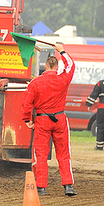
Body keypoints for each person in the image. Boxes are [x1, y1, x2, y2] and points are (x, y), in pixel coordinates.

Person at [21, 43, 77, 197]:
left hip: (42, 120)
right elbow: (71, 65)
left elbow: (26, 103)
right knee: (64, 154)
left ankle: (41, 188)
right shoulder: (63, 79)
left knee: (41, 154)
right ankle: (68, 186)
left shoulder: (35, 82)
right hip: (59, 118)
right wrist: (62, 51)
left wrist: (27, 119)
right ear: (57, 66)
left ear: (45, 66)